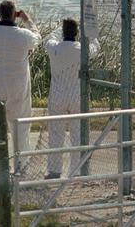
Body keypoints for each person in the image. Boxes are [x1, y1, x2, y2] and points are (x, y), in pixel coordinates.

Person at [0, 1, 38, 177]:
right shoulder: (23, 35)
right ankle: (20, 167)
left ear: (0, 14)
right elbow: (37, 37)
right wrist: (27, 20)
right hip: (17, 86)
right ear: (14, 15)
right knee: (20, 127)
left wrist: (0, 17)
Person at [44, 18, 99, 179]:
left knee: (55, 135)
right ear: (76, 33)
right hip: (77, 95)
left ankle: (54, 170)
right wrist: (87, 30)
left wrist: (56, 28)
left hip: (58, 95)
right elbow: (96, 46)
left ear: (63, 32)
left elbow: (48, 38)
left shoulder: (55, 48)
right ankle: (75, 171)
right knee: (78, 135)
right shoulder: (82, 50)